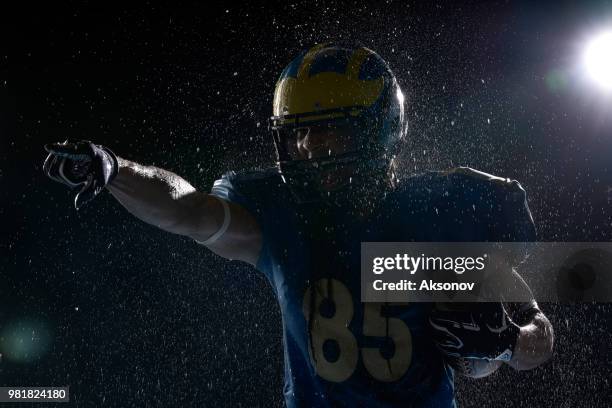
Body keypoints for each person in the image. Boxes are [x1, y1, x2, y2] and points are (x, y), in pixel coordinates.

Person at [43, 43, 553, 407]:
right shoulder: (283, 219)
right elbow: (188, 210)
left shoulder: (432, 216)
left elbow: (540, 334)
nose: (313, 151)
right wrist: (116, 169)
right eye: (302, 136)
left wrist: (509, 342)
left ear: (380, 134)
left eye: (332, 133)